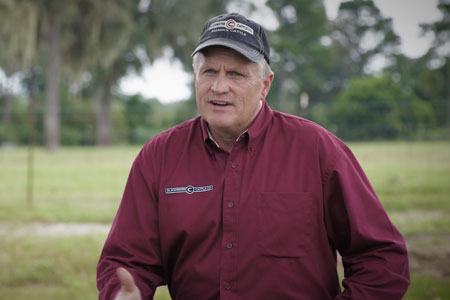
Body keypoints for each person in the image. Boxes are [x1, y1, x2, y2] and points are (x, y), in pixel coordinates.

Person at [97, 12, 410, 300]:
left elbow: (381, 258)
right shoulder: (159, 157)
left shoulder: (318, 149)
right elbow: (126, 260)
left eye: (235, 74)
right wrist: (123, 294)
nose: (219, 86)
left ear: (265, 84)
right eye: (209, 72)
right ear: (196, 79)